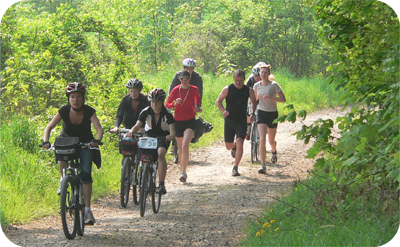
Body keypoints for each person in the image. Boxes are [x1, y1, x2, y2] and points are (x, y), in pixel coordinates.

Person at [42, 82, 103, 225]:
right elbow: (49, 127)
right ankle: (63, 179)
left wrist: (97, 140)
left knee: (86, 173)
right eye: (72, 97)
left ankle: (87, 210)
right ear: (69, 98)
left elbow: (99, 128)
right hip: (67, 142)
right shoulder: (64, 110)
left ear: (83, 98)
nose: (75, 99)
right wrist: (46, 141)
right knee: (60, 149)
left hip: (85, 144)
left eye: (78, 97)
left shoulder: (89, 111)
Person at [126, 88, 175, 194]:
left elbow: (172, 130)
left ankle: (161, 184)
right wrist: (131, 132)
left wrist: (171, 136)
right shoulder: (145, 112)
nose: (154, 105)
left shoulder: (167, 113)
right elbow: (137, 125)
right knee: (141, 151)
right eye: (152, 102)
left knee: (161, 153)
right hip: (149, 135)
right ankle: (142, 174)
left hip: (163, 136)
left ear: (162, 102)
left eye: (157, 103)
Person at [216, 70, 257, 176]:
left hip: (241, 120)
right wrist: (223, 110)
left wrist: (252, 113)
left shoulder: (249, 90)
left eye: (240, 80)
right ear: (233, 79)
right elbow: (218, 101)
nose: (238, 82)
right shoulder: (228, 89)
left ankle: (235, 167)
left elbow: (253, 102)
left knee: (240, 143)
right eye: (236, 80)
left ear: (244, 79)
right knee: (228, 146)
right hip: (229, 120)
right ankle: (233, 148)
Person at [166, 70, 202, 183]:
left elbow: (197, 99)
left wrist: (197, 107)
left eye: (187, 78)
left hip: (190, 121)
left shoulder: (194, 89)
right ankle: (182, 169)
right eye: (182, 79)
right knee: (181, 147)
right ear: (179, 80)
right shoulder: (176, 90)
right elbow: (167, 104)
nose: (184, 80)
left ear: (189, 79)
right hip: (178, 121)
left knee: (185, 145)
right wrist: (174, 104)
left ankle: (183, 171)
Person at [254, 64, 286, 174]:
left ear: (268, 74)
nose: (263, 74)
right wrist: (251, 112)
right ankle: (263, 165)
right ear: (259, 73)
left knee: (271, 140)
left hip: (272, 114)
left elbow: (283, 99)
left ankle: (274, 151)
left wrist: (272, 98)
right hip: (261, 113)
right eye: (261, 72)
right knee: (262, 139)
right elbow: (255, 100)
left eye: (265, 72)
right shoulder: (256, 86)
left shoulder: (274, 85)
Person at [245, 62, 267, 139]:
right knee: (249, 109)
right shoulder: (250, 79)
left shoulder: (266, 79)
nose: (257, 78)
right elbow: (244, 90)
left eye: (258, 76)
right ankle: (248, 128)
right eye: (255, 76)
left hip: (262, 97)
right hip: (253, 96)